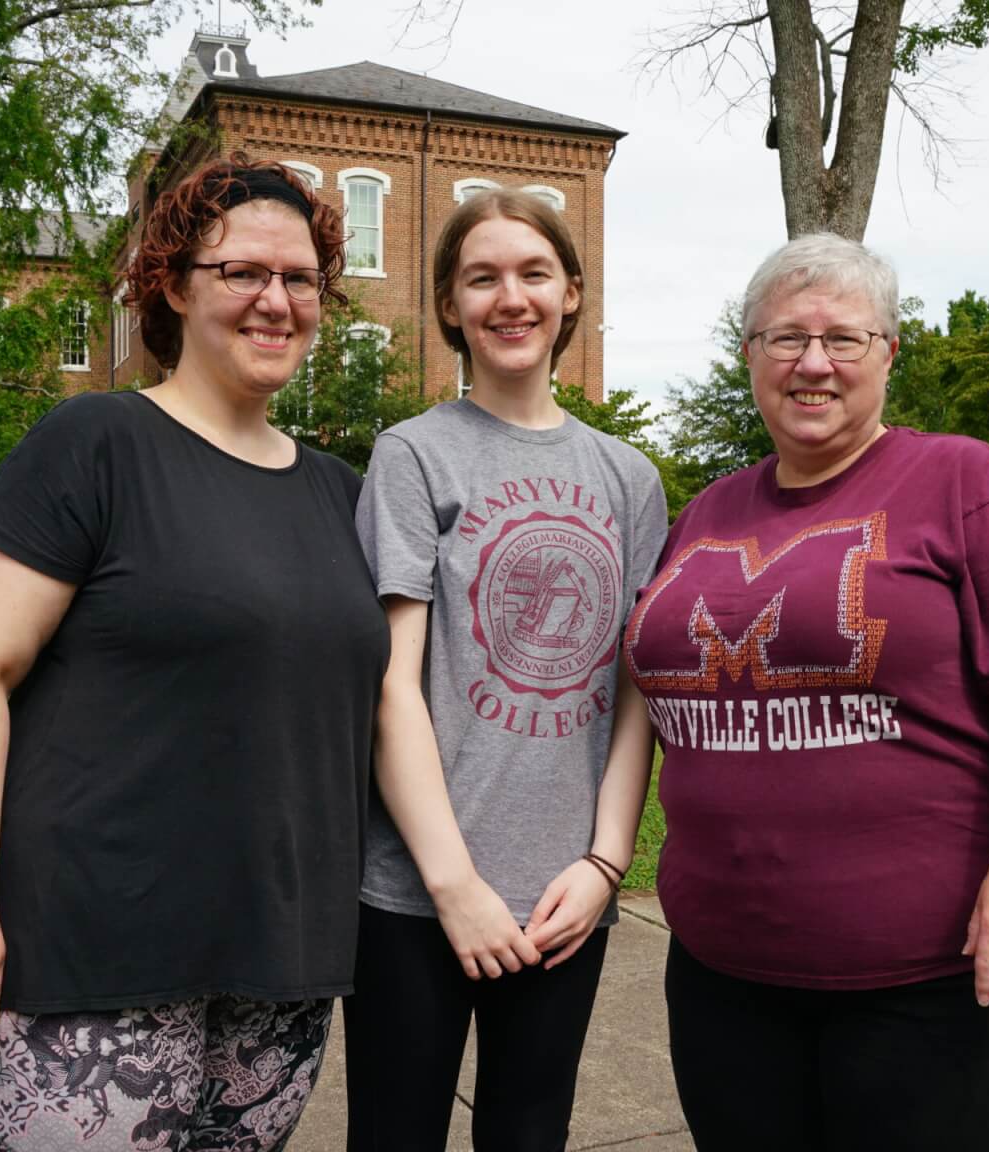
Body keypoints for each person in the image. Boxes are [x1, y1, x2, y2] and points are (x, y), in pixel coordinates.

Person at [0, 154, 390, 1152]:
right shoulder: (93, 442)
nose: (275, 300)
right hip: (88, 953)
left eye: (299, 279)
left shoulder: (342, 493)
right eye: (241, 272)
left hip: (279, 963)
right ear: (172, 283)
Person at [624, 233, 989, 1150]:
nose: (814, 363)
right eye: (784, 338)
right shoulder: (708, 510)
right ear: (749, 356)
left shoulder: (967, 482)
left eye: (844, 339)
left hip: (947, 977)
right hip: (729, 978)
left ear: (888, 352)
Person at [345, 188, 667, 1151]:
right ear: (449, 305)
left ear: (572, 293)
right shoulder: (412, 456)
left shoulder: (629, 479)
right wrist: (453, 886)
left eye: (533, 274)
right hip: (415, 897)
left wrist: (606, 864)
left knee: (531, 1133)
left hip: (564, 896)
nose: (509, 297)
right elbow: (389, 687)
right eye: (481, 277)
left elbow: (634, 696)